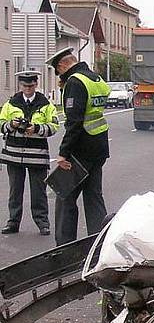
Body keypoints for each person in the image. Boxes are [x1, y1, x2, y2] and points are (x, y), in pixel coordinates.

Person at [45, 47, 111, 246]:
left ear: (63, 65)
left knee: (65, 196)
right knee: (94, 198)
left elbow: (74, 122)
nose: (60, 76)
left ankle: (65, 248)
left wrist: (64, 153)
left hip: (80, 150)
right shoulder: (96, 79)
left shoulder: (75, 82)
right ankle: (98, 244)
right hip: (99, 146)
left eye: (59, 71)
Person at [0, 71, 60, 235]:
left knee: (38, 192)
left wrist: (37, 128)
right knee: (15, 192)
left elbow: (54, 126)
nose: (28, 89)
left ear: (36, 84)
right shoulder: (11, 103)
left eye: (31, 85)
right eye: (25, 86)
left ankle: (42, 223)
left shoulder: (46, 104)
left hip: (37, 155)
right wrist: (11, 125)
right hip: (13, 154)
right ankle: (13, 222)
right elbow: (1, 124)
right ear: (21, 85)